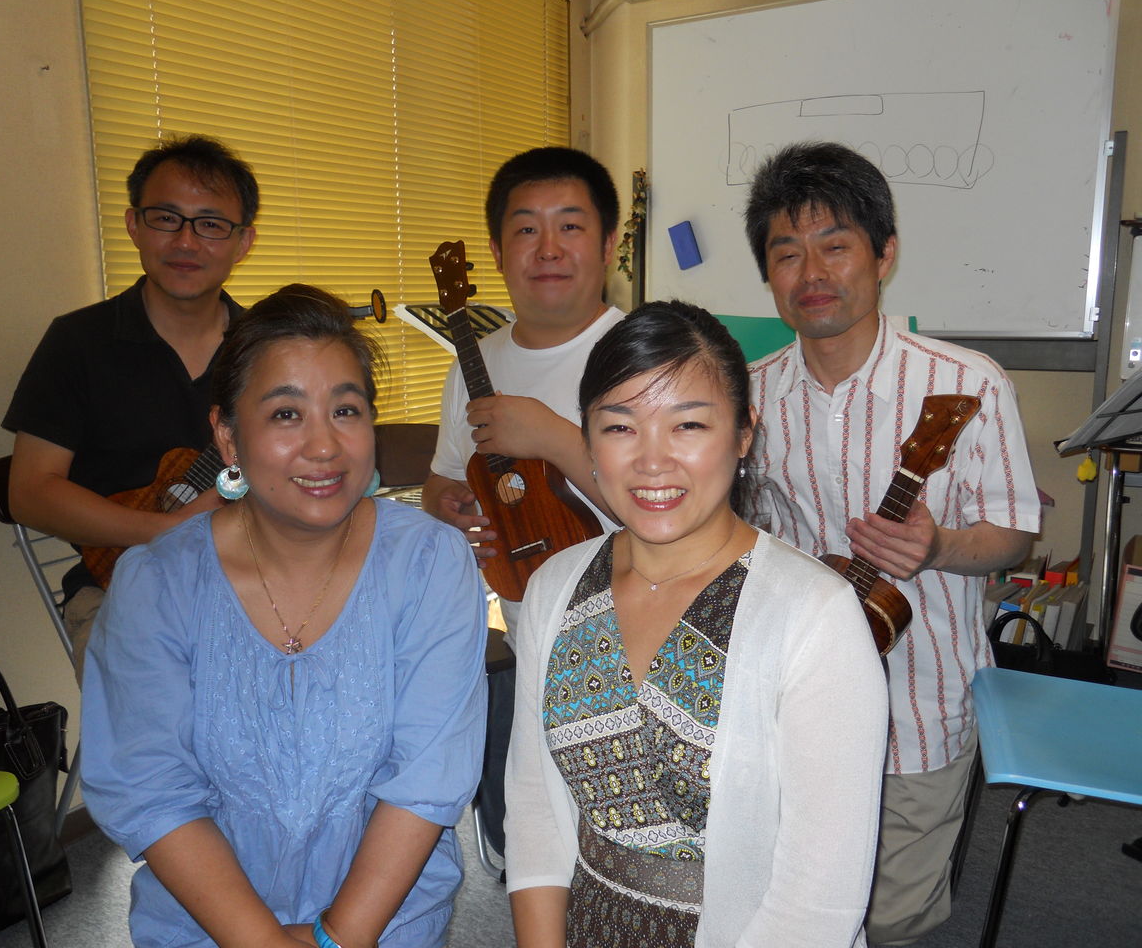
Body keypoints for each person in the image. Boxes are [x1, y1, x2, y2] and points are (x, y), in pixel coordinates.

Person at [80, 285, 487, 948]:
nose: (324, 446)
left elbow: (426, 778)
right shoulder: (157, 584)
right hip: (205, 928)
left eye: (346, 410)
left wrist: (336, 938)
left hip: (384, 926)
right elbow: (154, 792)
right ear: (227, 436)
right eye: (286, 414)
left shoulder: (429, 564)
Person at [505, 300, 889, 948]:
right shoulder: (555, 587)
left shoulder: (814, 616)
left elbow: (818, 903)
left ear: (743, 435)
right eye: (620, 427)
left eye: (687, 425)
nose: (652, 461)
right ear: (588, 440)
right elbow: (535, 808)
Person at [741, 142, 1041, 945]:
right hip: (790, 699)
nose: (812, 272)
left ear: (884, 255)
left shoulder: (968, 384)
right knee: (790, 894)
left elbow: (1013, 535)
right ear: (768, 273)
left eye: (835, 245)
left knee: (893, 915)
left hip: (920, 696)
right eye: (787, 253)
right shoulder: (752, 396)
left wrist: (938, 548)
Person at [423, 146, 625, 855]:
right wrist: (453, 508)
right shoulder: (474, 363)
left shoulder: (648, 354)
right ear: (496, 251)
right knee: (542, 835)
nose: (548, 249)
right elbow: (444, 479)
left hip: (639, 643)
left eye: (570, 226)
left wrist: (554, 438)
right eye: (526, 229)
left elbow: (678, 513)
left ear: (608, 244)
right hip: (527, 630)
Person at [2, 134, 259, 682]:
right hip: (118, 591)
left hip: (260, 578)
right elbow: (29, 491)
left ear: (243, 242)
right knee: (163, 705)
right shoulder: (78, 343)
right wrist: (161, 532)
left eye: (211, 224)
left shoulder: (270, 351)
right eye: (166, 218)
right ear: (134, 225)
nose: (186, 240)